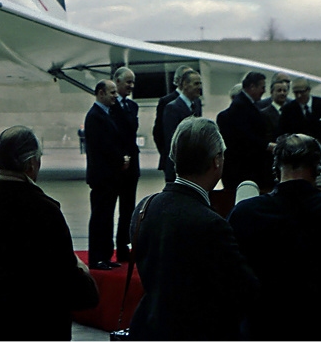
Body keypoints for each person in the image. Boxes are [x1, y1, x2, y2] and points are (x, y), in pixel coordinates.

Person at [0, 126, 99, 340]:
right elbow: (68, 282)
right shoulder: (45, 211)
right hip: (39, 330)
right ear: (31, 163)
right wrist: (84, 274)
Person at [228, 134, 321, 340]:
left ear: (276, 167)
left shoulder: (245, 214)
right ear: (318, 168)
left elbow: (229, 275)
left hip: (265, 328)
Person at [128, 117, 258, 340]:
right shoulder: (211, 224)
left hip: (149, 329)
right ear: (216, 161)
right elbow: (244, 289)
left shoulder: (144, 207)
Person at [84, 79, 130, 268]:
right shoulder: (95, 116)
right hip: (101, 176)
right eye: (112, 92)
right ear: (100, 93)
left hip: (109, 176)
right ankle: (97, 257)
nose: (115, 96)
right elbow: (104, 145)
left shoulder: (106, 114)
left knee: (107, 216)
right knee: (100, 217)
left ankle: (105, 255)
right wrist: (121, 159)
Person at [217, 71, 274, 191]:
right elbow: (246, 136)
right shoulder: (241, 107)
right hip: (245, 168)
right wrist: (268, 146)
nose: (264, 91)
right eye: (262, 87)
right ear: (252, 86)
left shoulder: (246, 104)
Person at [279, 77, 321, 174]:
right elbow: (283, 134)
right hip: (299, 157)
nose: (299, 96)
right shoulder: (288, 109)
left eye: (302, 92)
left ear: (308, 90)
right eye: (296, 93)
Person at [114, 66, 141, 262]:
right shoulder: (110, 106)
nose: (131, 86)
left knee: (128, 208)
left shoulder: (132, 106)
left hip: (132, 163)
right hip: (117, 163)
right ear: (117, 82)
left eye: (133, 82)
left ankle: (124, 246)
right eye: (128, 82)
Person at [158, 70, 203, 183]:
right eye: (196, 84)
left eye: (200, 83)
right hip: (178, 167)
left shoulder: (197, 104)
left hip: (194, 167)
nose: (199, 87)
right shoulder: (172, 108)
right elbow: (171, 139)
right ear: (185, 85)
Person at [153, 66, 192, 175]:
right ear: (179, 80)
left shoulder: (196, 101)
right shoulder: (167, 101)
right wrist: (166, 153)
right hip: (173, 159)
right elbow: (159, 132)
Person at [257, 74, 290, 143]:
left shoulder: (291, 112)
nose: (282, 93)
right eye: (279, 91)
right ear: (271, 92)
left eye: (284, 91)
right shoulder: (264, 114)